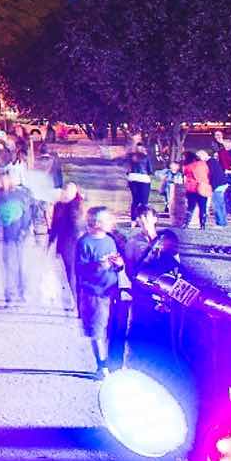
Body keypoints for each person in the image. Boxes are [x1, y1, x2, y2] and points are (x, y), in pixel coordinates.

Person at [74, 207, 123, 377]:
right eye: (107, 219)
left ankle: (111, 363)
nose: (111, 222)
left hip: (111, 291)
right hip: (94, 293)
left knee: (111, 329)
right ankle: (101, 366)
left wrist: (119, 265)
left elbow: (116, 265)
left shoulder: (110, 240)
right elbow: (80, 270)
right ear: (96, 223)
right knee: (97, 330)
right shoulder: (85, 243)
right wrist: (99, 266)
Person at [0, 170, 33, 304]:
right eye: (0, 181)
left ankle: (22, 292)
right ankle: (9, 294)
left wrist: (24, 230)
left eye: (4, 180)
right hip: (5, 237)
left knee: (20, 264)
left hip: (19, 236)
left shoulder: (19, 195)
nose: (3, 183)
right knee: (7, 266)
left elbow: (27, 214)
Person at [49, 182, 86, 303]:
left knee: (76, 272)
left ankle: (78, 299)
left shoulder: (78, 205)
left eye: (71, 190)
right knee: (69, 271)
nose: (68, 193)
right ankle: (73, 298)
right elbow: (55, 225)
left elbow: (80, 224)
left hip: (77, 242)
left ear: (75, 192)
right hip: (65, 243)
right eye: (67, 190)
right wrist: (50, 241)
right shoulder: (59, 206)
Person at [182, 151, 213, 229]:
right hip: (203, 187)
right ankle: (203, 224)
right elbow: (207, 173)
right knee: (203, 207)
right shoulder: (204, 164)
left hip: (192, 188)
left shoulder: (188, 166)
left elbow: (185, 173)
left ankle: (186, 223)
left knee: (190, 206)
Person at [126, 144, 154, 220]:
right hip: (143, 178)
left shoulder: (130, 156)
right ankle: (143, 219)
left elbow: (127, 169)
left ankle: (133, 220)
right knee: (144, 201)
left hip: (132, 178)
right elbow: (150, 170)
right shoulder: (146, 157)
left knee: (135, 200)